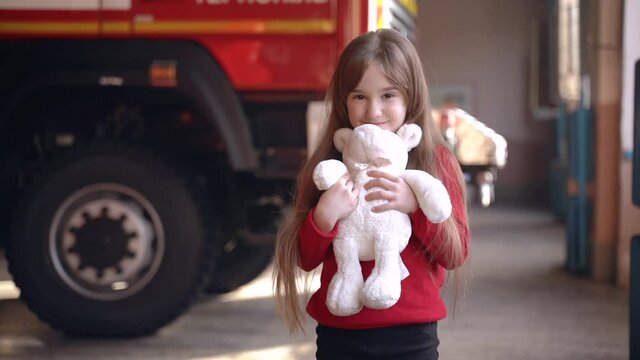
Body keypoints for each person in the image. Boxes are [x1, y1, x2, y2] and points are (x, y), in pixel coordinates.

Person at [273, 28, 470, 360]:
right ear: (343, 100)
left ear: (412, 97)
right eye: (359, 96)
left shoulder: (435, 163)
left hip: (412, 335)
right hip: (339, 335)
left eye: (388, 95)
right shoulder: (329, 164)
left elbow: (455, 253)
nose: (373, 111)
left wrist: (414, 206)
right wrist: (324, 216)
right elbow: (305, 259)